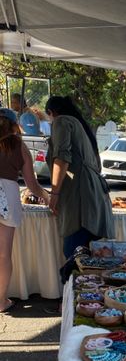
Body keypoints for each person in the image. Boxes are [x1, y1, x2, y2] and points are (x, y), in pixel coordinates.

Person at [45, 95, 114, 258]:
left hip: (81, 201)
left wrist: (54, 193)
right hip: (95, 198)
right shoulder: (80, 126)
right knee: (91, 258)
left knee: (75, 255)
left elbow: (62, 158)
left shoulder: (61, 121)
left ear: (51, 112)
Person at [0, 108, 50, 312]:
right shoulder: (19, 146)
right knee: (3, 255)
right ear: (14, 125)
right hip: (8, 196)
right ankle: (1, 301)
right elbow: (32, 185)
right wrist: (47, 197)